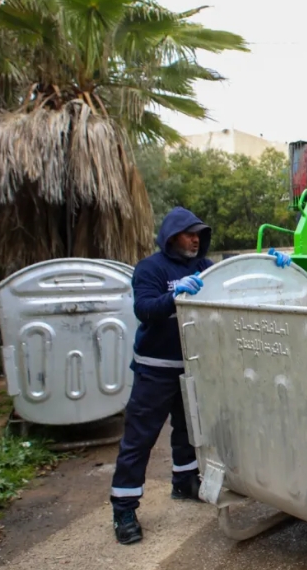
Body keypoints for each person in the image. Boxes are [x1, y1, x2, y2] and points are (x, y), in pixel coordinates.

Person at [111, 207, 214, 545]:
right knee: (139, 439)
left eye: (199, 234)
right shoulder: (150, 268)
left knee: (188, 431)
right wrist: (175, 295)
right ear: (172, 237)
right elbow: (145, 310)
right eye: (189, 233)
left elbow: (235, 288)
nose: (195, 239)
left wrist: (272, 265)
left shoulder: (205, 268)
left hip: (191, 366)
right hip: (155, 369)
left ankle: (184, 483)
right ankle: (124, 509)